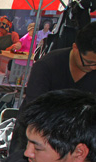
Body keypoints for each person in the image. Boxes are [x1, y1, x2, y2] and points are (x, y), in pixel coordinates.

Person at [10, 21, 96, 153]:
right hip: (36, 138)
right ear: (75, 47)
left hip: (77, 143)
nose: (93, 67)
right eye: (89, 62)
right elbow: (36, 111)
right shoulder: (47, 66)